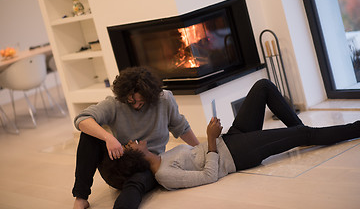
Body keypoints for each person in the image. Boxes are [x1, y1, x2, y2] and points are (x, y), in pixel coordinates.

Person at [102, 79, 360, 191]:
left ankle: (301, 135)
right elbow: (209, 176)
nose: (131, 141)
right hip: (238, 154)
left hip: (232, 140)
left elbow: (190, 142)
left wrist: (213, 139)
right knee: (303, 133)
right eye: (130, 146)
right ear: (136, 157)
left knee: (262, 87)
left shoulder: (163, 157)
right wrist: (211, 140)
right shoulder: (165, 176)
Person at [72, 66, 200, 209]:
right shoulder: (114, 104)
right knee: (88, 136)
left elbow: (181, 127)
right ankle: (81, 197)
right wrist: (108, 137)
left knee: (136, 184)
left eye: (141, 102)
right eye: (131, 102)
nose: (136, 106)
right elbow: (81, 119)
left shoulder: (164, 99)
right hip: (119, 163)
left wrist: (201, 150)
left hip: (148, 165)